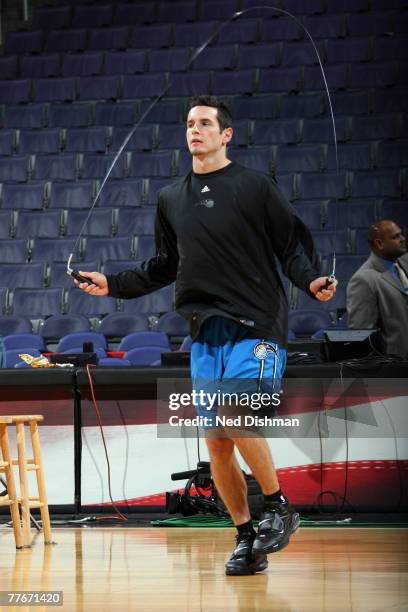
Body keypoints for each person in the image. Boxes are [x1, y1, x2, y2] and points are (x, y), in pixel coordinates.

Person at [76, 95, 337, 576]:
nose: (194, 130)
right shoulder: (171, 198)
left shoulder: (256, 186)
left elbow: (292, 246)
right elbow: (164, 266)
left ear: (226, 134)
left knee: (238, 412)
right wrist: (113, 284)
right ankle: (245, 540)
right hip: (204, 330)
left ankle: (279, 508)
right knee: (216, 439)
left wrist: (311, 280)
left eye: (204, 124)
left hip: (256, 323)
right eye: (189, 124)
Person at [347, 219, 408, 359]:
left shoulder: (404, 261)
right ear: (379, 244)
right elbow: (362, 335)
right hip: (396, 364)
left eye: (401, 234)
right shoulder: (363, 279)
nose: (402, 239)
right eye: (395, 237)